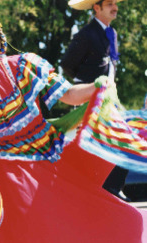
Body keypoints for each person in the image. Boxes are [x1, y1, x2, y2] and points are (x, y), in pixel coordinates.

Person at [0, 2, 147, 243]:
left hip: (32, 171)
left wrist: (97, 86)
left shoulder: (22, 66)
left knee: (75, 225)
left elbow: (69, 94)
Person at [60, 0, 130, 201]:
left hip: (109, 99)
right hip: (89, 98)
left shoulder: (112, 34)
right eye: (109, 3)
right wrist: (85, 88)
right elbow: (67, 64)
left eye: (115, 3)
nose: (114, 7)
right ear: (96, 8)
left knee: (124, 135)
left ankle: (112, 187)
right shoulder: (85, 34)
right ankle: (104, 189)